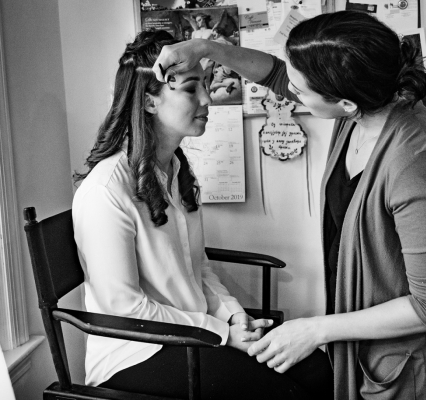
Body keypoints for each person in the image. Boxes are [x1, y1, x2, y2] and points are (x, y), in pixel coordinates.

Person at [153, 11, 426, 399]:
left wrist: (316, 329)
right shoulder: (364, 110)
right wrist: (205, 47)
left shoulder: (418, 164)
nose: (289, 90)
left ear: (345, 103)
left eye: (301, 90)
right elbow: (275, 75)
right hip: (361, 340)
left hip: (406, 363)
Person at [72, 30, 333, 399]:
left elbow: (199, 268)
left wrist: (233, 316)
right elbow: (124, 308)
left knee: (319, 370)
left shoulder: (174, 171)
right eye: (192, 89)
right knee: (286, 393)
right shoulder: (106, 190)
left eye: (206, 85)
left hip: (195, 333)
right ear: (149, 101)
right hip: (136, 351)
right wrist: (222, 333)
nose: (208, 99)